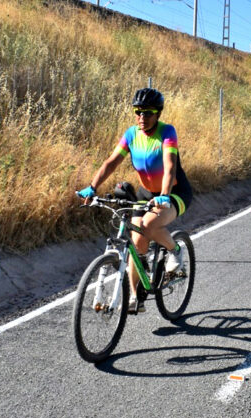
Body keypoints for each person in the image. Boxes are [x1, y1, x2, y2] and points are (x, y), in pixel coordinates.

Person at [77, 87, 193, 314]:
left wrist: (164, 195)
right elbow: (111, 162)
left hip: (174, 192)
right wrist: (92, 187)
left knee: (149, 224)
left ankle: (175, 250)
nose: (142, 117)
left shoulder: (167, 132)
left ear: (158, 113)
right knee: (137, 243)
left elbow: (170, 166)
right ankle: (134, 297)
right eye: (138, 112)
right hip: (146, 193)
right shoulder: (131, 134)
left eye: (148, 112)